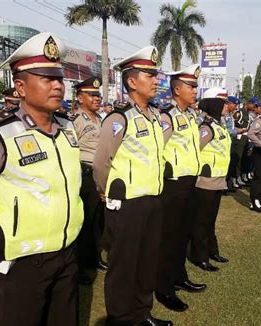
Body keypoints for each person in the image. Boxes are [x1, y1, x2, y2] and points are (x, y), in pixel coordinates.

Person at [0, 32, 84, 325]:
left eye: (59, 78)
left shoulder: (68, 129)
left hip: (66, 254)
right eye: (46, 78)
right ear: (20, 87)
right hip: (20, 263)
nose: (58, 85)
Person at [93, 46, 172, 326]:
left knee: (146, 262)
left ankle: (142, 313)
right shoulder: (119, 118)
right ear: (131, 81)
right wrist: (106, 191)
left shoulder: (154, 118)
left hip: (152, 199)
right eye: (149, 75)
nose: (155, 80)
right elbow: (101, 162)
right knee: (124, 264)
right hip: (125, 202)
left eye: (155, 75)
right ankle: (120, 318)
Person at [155, 64, 205, 313]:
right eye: (191, 86)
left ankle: (179, 275)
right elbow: (156, 150)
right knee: (169, 237)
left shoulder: (190, 116)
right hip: (173, 184)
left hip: (190, 181)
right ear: (177, 89)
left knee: (183, 233)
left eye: (195, 86)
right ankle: (163, 287)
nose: (195, 90)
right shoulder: (168, 117)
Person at [189, 90, 230, 271]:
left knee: (211, 220)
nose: (227, 107)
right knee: (201, 221)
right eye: (224, 104)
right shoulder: (206, 128)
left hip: (218, 180)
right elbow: (194, 150)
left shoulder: (219, 126)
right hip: (205, 181)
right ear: (215, 107)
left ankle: (212, 251)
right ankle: (200, 256)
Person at [72, 76, 107, 285]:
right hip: (84, 175)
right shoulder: (76, 121)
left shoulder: (100, 119)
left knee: (97, 221)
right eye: (92, 95)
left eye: (98, 95)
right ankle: (82, 265)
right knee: (83, 222)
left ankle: (95, 257)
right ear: (80, 98)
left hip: (99, 175)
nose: (97, 98)